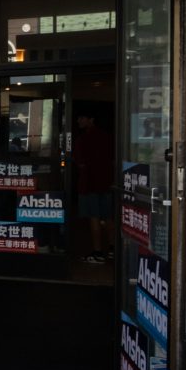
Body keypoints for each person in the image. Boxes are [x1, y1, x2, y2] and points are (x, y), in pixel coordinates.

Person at [74, 113, 114, 263]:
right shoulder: (108, 137)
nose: (79, 120)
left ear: (91, 119)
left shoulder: (82, 139)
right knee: (108, 217)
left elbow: (80, 163)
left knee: (94, 217)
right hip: (107, 183)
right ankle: (112, 249)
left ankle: (97, 252)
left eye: (82, 117)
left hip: (89, 184)